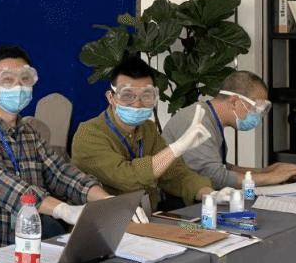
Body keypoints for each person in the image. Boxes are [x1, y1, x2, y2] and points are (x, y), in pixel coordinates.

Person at [0, 45, 116, 251]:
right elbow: (1, 184)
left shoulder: (29, 132)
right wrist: (62, 210)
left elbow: (60, 173)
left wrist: (105, 200)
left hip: (30, 244)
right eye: (8, 80)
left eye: (25, 79)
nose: (18, 86)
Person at [72, 54, 218, 212]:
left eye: (146, 96)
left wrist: (210, 194)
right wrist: (176, 148)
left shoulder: (148, 129)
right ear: (111, 97)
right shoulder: (88, 134)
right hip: (106, 219)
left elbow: (174, 175)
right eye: (127, 95)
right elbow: (126, 178)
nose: (137, 104)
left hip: (148, 217)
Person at [162, 70, 296, 190]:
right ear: (235, 102)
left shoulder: (211, 118)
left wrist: (266, 171)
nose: (257, 117)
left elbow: (222, 167)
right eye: (256, 109)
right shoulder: (197, 121)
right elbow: (214, 177)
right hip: (178, 205)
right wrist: (273, 177)